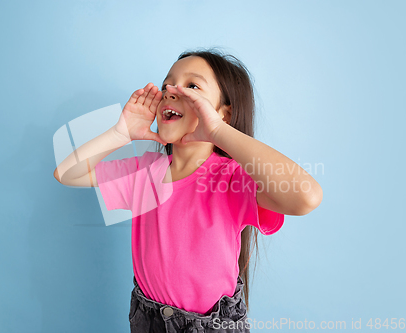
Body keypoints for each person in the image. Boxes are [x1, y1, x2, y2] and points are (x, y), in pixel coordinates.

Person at [54, 48, 323, 332]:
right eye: (167, 85)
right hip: (148, 319)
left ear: (224, 113)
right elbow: (67, 173)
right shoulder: (145, 173)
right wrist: (120, 133)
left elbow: (306, 196)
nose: (172, 91)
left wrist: (218, 131)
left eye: (192, 86)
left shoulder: (230, 178)